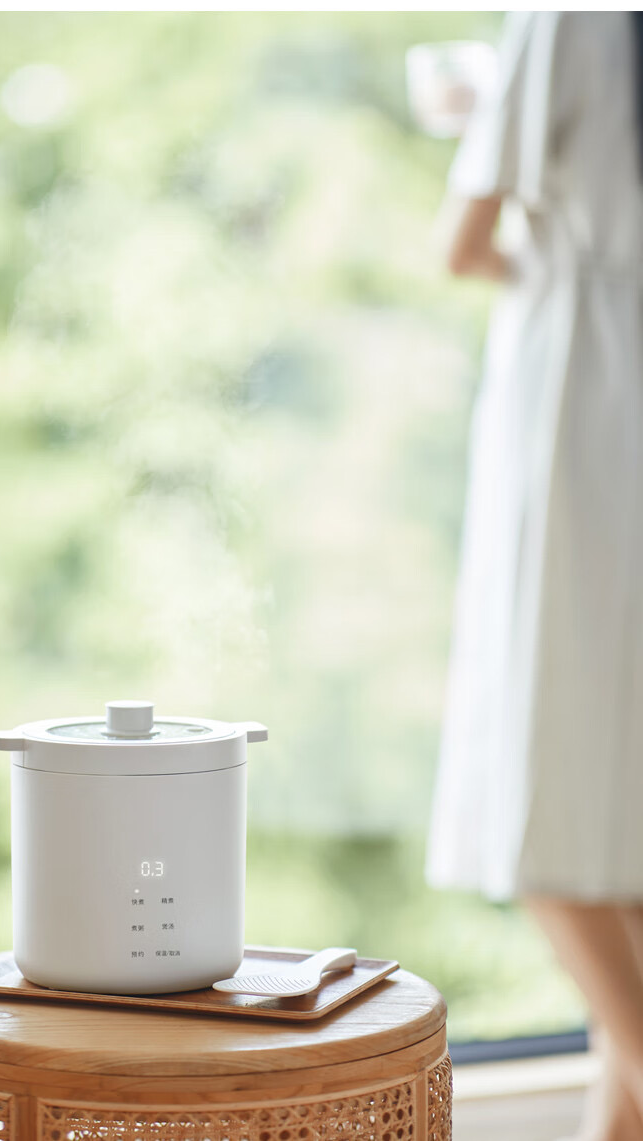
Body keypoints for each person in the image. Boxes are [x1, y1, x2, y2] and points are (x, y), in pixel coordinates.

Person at [425, 13, 643, 1140]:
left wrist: (491, 122)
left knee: (546, 803)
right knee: (624, 830)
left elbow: (462, 244)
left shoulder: (563, 17)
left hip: (583, 393)